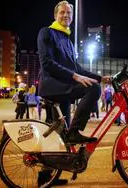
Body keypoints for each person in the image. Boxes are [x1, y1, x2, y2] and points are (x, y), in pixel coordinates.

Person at [37, 0, 110, 144]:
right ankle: (74, 131)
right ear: (55, 15)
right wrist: (75, 76)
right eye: (62, 12)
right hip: (53, 87)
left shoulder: (69, 42)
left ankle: (49, 163)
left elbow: (77, 68)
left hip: (64, 88)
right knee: (93, 89)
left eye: (69, 12)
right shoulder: (47, 32)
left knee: (59, 135)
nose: (66, 15)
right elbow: (47, 63)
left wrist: (100, 78)